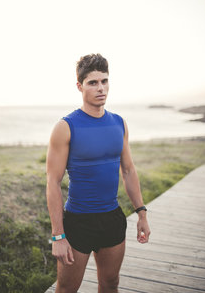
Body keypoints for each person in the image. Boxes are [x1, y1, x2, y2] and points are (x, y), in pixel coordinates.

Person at [46, 53, 151, 293]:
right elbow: (52, 181)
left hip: (112, 218)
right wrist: (58, 236)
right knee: (66, 288)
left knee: (111, 283)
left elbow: (128, 170)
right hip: (78, 222)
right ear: (79, 86)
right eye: (93, 82)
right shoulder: (65, 127)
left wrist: (142, 213)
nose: (100, 88)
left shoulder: (118, 123)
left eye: (104, 81)